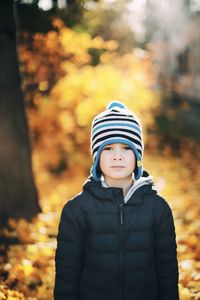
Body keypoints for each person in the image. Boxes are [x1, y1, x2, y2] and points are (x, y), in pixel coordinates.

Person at [54, 101, 179, 300]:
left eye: (126, 148)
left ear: (138, 155)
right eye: (108, 148)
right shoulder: (76, 211)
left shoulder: (158, 209)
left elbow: (167, 273)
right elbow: (67, 276)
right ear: (96, 157)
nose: (117, 157)